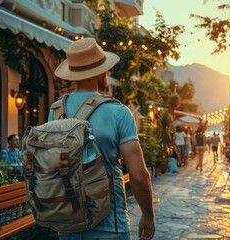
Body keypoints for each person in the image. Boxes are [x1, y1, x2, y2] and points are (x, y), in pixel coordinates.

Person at [52, 38, 155, 240]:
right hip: (108, 224)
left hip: (66, 220)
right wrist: (148, 216)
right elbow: (138, 175)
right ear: (101, 72)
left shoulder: (56, 110)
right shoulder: (117, 112)